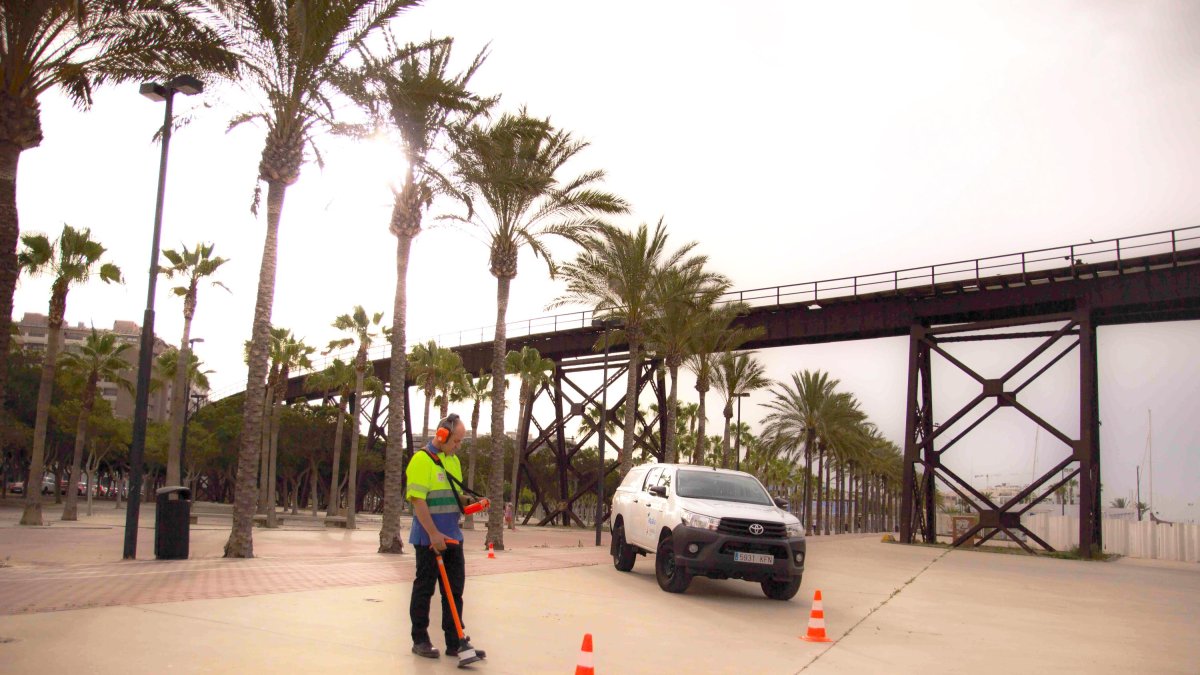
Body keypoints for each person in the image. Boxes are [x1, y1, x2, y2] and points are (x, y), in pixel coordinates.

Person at [407, 413, 486, 660]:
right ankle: (420, 639)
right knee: (425, 588)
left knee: (454, 592)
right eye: (457, 441)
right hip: (428, 539)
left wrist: (473, 502)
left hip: (453, 536)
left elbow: (452, 495)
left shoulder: (453, 462)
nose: (458, 446)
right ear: (442, 436)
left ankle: (455, 642)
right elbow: (418, 500)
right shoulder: (421, 461)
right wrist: (433, 533)